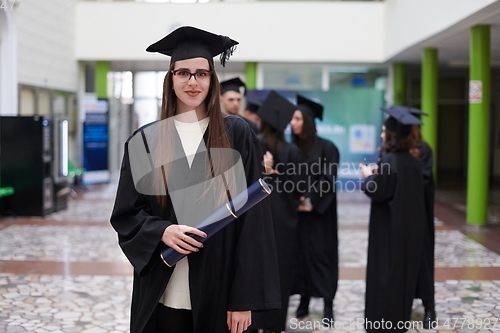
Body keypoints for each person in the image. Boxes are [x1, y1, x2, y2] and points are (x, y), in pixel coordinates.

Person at [110, 26, 281, 333]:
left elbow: (254, 219)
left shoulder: (236, 134)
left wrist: (243, 298)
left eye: (202, 73)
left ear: (212, 80)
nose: (193, 81)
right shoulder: (146, 141)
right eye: (183, 73)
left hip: (220, 286)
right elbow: (126, 213)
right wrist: (162, 231)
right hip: (161, 289)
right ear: (170, 79)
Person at [360, 108, 427, 333]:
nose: (382, 135)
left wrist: (368, 177)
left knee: (385, 279)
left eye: (384, 131)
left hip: (388, 232)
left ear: (392, 134)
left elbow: (377, 191)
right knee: (401, 281)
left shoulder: (390, 160)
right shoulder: (411, 160)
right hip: (407, 232)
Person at [248, 91, 301, 333]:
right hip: (284, 222)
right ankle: (275, 324)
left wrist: (267, 173)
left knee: (256, 270)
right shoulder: (291, 151)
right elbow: (298, 187)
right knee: (281, 273)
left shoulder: (252, 144)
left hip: (256, 218)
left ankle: (253, 321)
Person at [380, 106, 436, 328]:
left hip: (417, 213)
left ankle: (430, 306)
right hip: (396, 215)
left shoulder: (423, 150)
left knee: (422, 259)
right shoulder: (388, 151)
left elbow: (425, 182)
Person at [290, 94, 339, 322]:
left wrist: (309, 200)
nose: (293, 123)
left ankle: (328, 304)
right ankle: (304, 299)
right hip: (297, 217)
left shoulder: (328, 148)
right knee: (299, 258)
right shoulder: (291, 149)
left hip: (320, 216)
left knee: (322, 257)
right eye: (292, 118)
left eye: (297, 118)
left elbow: (328, 179)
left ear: (308, 122)